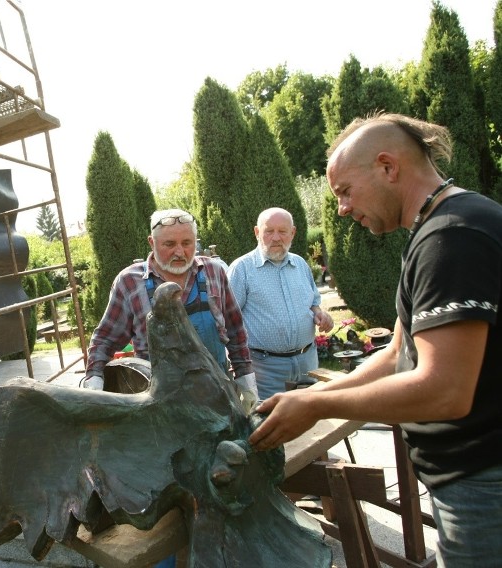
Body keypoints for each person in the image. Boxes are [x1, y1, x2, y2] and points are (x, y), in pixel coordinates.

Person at [249, 113, 502, 566]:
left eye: (345, 191)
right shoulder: (437, 228)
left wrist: (319, 406)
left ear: (388, 167)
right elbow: (395, 355)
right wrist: (318, 393)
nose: (342, 208)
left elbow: (446, 390)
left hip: (485, 484)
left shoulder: (452, 238)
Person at [81, 208, 257, 406]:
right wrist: (94, 380)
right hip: (162, 407)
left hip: (219, 397)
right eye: (170, 244)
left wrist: (246, 380)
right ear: (151, 242)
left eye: (187, 243)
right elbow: (105, 339)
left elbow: (235, 330)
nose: (180, 252)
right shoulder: (129, 282)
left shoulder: (213, 271)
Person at [227, 207, 334, 400]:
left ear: (292, 233)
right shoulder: (241, 270)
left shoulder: (300, 264)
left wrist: (320, 313)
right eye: (269, 231)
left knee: (313, 421)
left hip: (308, 362)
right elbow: (227, 321)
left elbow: (313, 303)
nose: (276, 238)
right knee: (271, 423)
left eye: (282, 231)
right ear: (257, 232)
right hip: (266, 369)